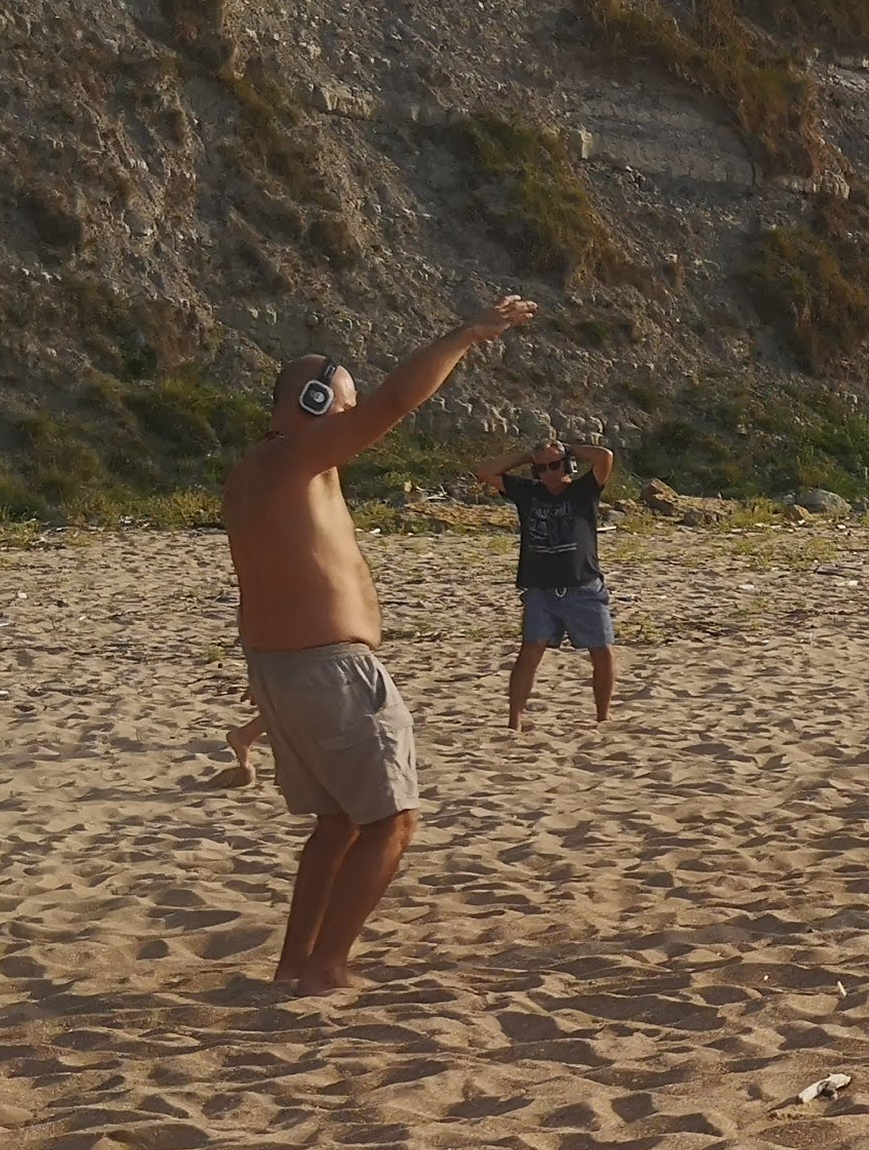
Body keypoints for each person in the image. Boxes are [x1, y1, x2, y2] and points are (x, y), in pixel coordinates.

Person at [223, 296, 538, 995]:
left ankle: (294, 967)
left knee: (337, 825)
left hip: (286, 669)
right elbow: (397, 400)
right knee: (392, 822)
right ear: (316, 402)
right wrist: (465, 333)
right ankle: (327, 968)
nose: (354, 423)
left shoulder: (259, 470)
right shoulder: (294, 457)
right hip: (328, 671)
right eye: (344, 407)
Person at [473, 436, 617, 731]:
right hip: (541, 590)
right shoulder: (529, 493)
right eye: (542, 469)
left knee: (601, 651)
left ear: (567, 465)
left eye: (555, 466)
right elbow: (485, 471)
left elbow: (604, 456)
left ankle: (603, 716)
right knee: (530, 651)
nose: (549, 473)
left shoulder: (583, 490)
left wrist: (569, 450)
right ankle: (515, 720)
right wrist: (529, 457)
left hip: (583, 585)